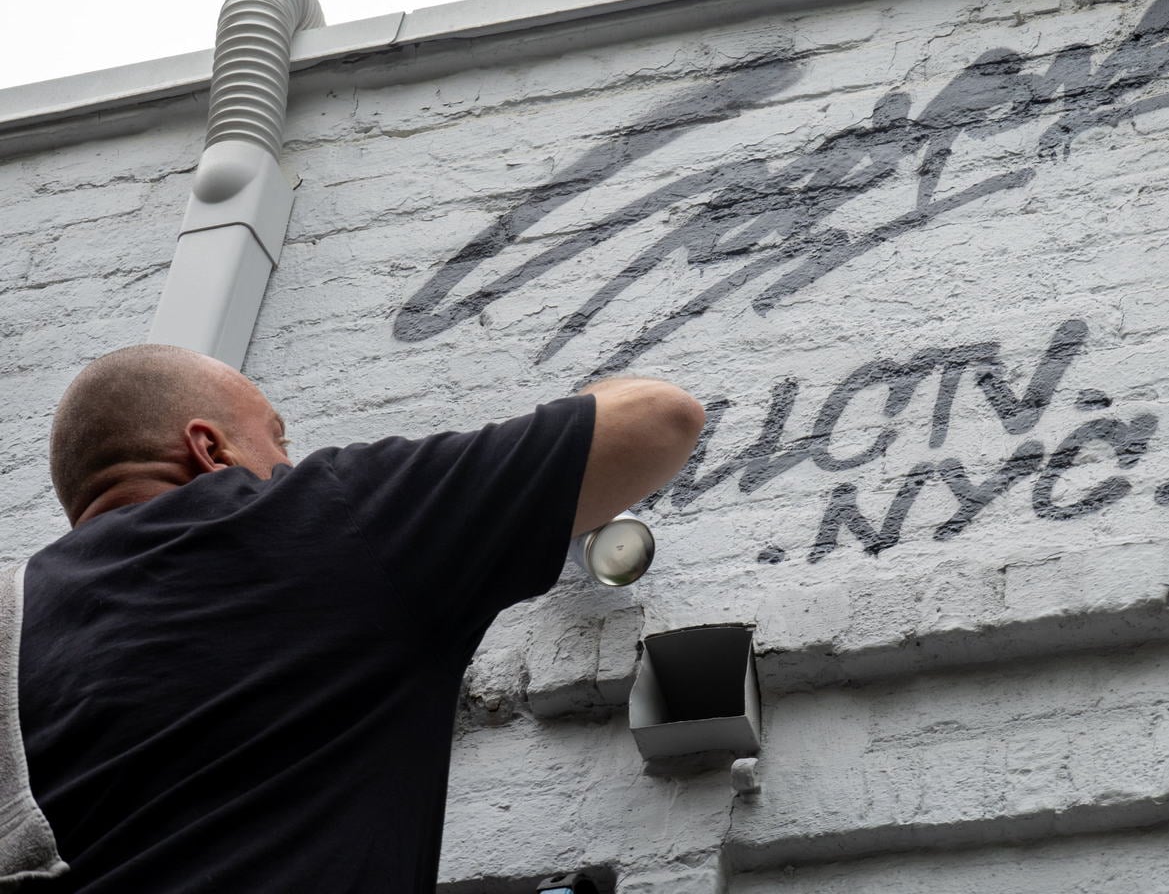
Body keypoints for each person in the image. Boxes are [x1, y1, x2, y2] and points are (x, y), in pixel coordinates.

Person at [15, 344, 704, 892]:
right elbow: (660, 417)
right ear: (212, 449)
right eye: (276, 439)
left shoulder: (12, 628)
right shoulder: (319, 522)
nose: (286, 462)